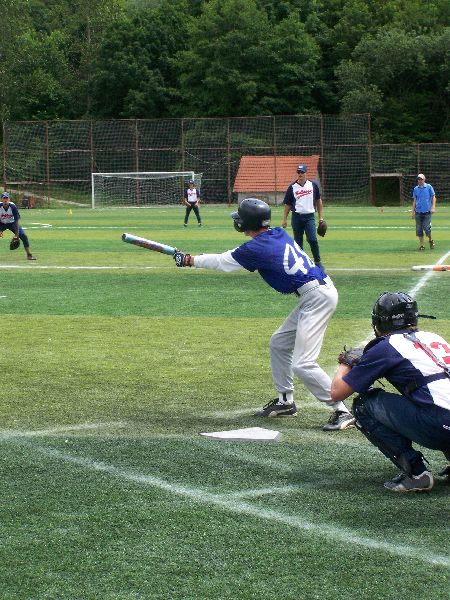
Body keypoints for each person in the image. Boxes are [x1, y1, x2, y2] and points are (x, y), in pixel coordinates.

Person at [173, 198, 355, 431]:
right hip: (316, 292)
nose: (237, 220)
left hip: (317, 297)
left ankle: (342, 411)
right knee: (279, 343)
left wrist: (190, 260)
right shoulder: (276, 233)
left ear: (247, 222)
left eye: (240, 217)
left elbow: (221, 261)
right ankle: (286, 401)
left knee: (303, 363)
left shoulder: (256, 248)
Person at [331, 291, 450, 492]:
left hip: (441, 424)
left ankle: (416, 473)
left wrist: (346, 361)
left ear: (380, 322)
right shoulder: (433, 337)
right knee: (430, 395)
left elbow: (336, 392)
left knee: (363, 405)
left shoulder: (386, 347)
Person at [282, 164, 325, 269]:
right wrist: (284, 219)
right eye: (298, 172)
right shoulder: (292, 187)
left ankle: (318, 262)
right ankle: (300, 263)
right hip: (296, 217)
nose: (300, 174)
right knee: (298, 242)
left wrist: (321, 218)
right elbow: (287, 204)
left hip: (309, 216)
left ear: (306, 173)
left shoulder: (313, 185)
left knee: (312, 239)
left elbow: (318, 201)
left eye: (302, 172)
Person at [0, 192, 37, 260]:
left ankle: (29, 255)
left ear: (9, 199)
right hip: (2, 224)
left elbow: (16, 221)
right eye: (4, 198)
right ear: (1, 200)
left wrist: (16, 235)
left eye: (6, 198)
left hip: (12, 224)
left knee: (24, 236)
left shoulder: (13, 206)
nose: (5, 200)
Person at [412, 173, 436, 251]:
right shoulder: (416, 189)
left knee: (426, 228)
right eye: (419, 179)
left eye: (421, 179)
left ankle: (430, 240)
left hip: (427, 212)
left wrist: (433, 207)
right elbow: (415, 200)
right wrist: (413, 211)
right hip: (418, 212)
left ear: (424, 179)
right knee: (419, 229)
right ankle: (422, 245)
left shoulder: (429, 187)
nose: (420, 180)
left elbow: (433, 197)